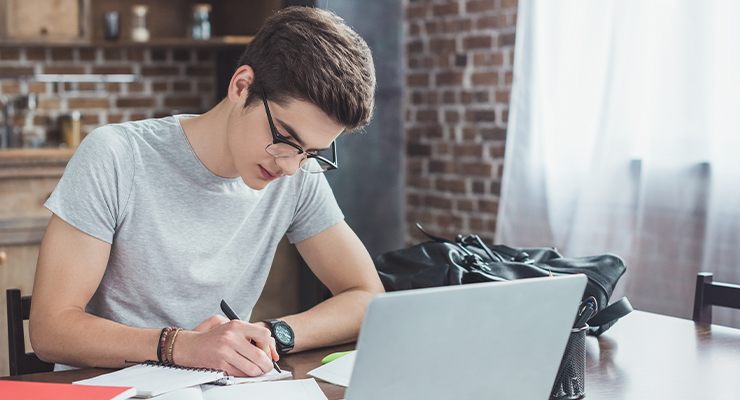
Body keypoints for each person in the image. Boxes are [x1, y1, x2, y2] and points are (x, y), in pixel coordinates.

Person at [29, 6, 384, 377]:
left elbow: (365, 295)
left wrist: (271, 334)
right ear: (241, 86)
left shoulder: (298, 173)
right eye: (285, 138)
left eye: (311, 152)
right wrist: (183, 346)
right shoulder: (117, 155)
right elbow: (50, 329)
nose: (290, 166)